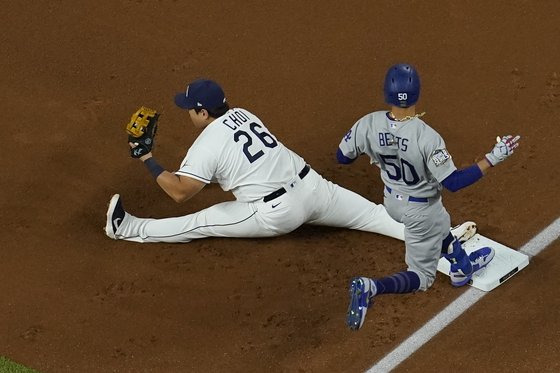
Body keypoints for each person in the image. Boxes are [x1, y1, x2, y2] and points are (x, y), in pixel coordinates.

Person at [104, 78, 475, 246]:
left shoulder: (206, 144)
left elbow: (181, 193)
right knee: (376, 216)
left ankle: (127, 229)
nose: (188, 115)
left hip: (275, 213)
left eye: (189, 110)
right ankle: (448, 239)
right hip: (314, 188)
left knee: (199, 221)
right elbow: (235, 165)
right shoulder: (244, 114)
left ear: (203, 112)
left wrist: (148, 158)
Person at [338, 63, 521, 331]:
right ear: (417, 94)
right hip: (419, 212)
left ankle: (462, 267)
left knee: (440, 223)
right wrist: (492, 158)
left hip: (392, 202)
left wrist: (378, 154)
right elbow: (454, 183)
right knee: (421, 276)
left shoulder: (367, 123)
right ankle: (372, 287)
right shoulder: (427, 137)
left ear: (386, 93)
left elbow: (342, 157)